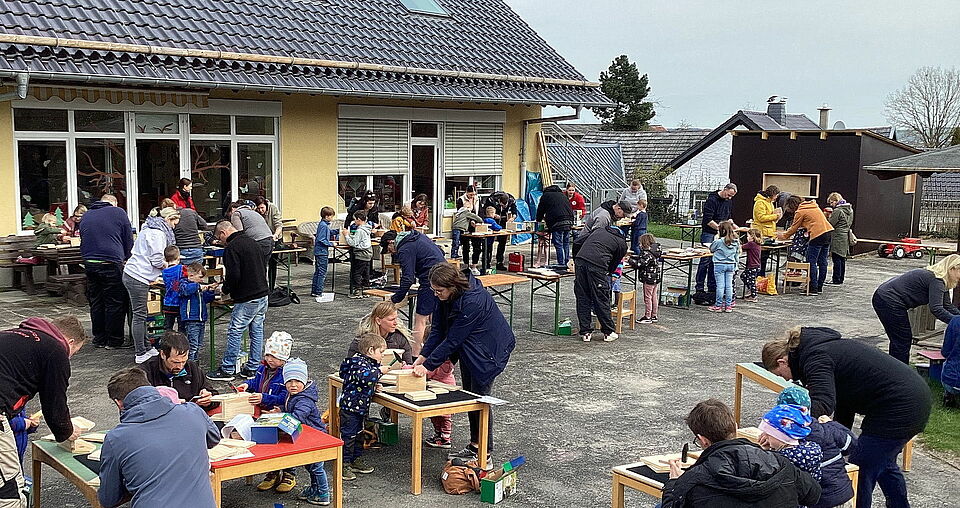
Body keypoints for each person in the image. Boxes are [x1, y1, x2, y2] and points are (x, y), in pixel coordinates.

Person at [762, 326, 931, 508]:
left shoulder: (816, 359)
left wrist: (786, 428)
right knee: (881, 460)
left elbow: (823, 402)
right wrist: (835, 437)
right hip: (909, 397)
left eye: (780, 375)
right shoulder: (819, 350)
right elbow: (842, 398)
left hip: (901, 405)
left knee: (860, 467)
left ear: (782, 362)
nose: (786, 380)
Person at [412, 264, 516, 467]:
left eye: (439, 291)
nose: (436, 294)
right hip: (470, 349)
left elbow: (453, 339)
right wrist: (422, 357)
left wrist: (428, 366)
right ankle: (475, 445)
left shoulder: (473, 301)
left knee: (480, 399)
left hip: (488, 352)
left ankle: (485, 454)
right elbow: (438, 330)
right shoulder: (445, 295)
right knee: (470, 396)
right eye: (434, 290)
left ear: (452, 286)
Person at [660, 398, 821, 508]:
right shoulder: (781, 463)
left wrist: (674, 484)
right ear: (736, 427)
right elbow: (813, 494)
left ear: (703, 440)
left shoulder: (693, 481)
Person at [98, 368, 219, 508]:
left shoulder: (116, 439)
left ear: (119, 403)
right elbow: (214, 438)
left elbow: (108, 498)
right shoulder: (193, 411)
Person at [0, 316, 86, 507]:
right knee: (9, 489)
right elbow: (55, 403)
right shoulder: (56, 349)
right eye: (74, 352)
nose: (70, 357)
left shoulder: (18, 334)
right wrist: (67, 431)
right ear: (70, 342)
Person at [207, 220, 269, 381]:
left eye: (219, 238)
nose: (220, 242)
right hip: (262, 293)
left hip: (247, 296)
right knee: (257, 331)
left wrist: (225, 289)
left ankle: (227, 369)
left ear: (223, 233)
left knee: (235, 331)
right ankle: (253, 368)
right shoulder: (252, 241)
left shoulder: (232, 248)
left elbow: (234, 275)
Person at [777, 386, 857, 508]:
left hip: (819, 500)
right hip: (843, 494)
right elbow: (852, 444)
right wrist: (831, 423)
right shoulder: (827, 430)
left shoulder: (786, 438)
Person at [872, 254, 960, 363]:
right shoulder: (937, 280)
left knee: (900, 340)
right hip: (888, 300)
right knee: (902, 340)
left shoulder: (940, 279)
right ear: (952, 268)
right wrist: (956, 322)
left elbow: (947, 305)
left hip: (886, 297)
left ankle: (895, 367)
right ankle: (899, 370)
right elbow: (936, 309)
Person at [239, 332, 296, 493]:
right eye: (268, 355)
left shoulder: (286, 374)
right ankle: (272, 472)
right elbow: (255, 381)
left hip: (278, 414)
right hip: (263, 413)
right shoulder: (262, 368)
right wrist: (247, 385)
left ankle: (289, 473)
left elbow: (284, 397)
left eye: (275, 356)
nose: (270, 359)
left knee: (283, 444)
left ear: (284, 358)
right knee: (268, 443)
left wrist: (264, 397)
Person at [124, 206, 180, 364]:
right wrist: (169, 266)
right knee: (139, 315)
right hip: (138, 276)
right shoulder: (158, 234)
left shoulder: (147, 228)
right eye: (174, 223)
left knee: (141, 314)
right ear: (168, 220)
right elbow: (156, 259)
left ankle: (147, 347)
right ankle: (140, 352)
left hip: (135, 273)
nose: (174, 227)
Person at [80, 194, 133, 349]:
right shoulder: (118, 212)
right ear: (113, 203)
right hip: (110, 261)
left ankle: (99, 338)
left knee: (96, 301)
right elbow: (128, 238)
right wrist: (127, 257)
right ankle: (114, 340)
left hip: (90, 262)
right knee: (114, 302)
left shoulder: (87, 215)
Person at [380, 229, 446, 348]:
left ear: (391, 242)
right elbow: (440, 251)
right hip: (444, 275)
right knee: (434, 317)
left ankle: (416, 353)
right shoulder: (416, 237)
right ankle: (437, 348)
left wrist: (395, 299)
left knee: (420, 319)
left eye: (388, 249)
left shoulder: (404, 248)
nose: (391, 252)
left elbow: (408, 279)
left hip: (431, 280)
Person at [277, 359, 331, 505]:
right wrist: (280, 410)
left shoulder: (305, 400)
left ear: (305, 381)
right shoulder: (293, 395)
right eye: (289, 381)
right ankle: (315, 489)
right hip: (307, 437)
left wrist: (279, 421)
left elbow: (297, 417)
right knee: (310, 466)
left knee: (316, 467)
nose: (293, 385)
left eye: (297, 381)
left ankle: (323, 493)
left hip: (316, 437)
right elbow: (289, 409)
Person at [339, 332, 390, 481]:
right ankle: (344, 464)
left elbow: (364, 381)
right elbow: (363, 377)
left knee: (359, 434)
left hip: (361, 408)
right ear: (370, 350)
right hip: (350, 408)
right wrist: (379, 371)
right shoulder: (357, 363)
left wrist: (374, 386)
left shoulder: (368, 363)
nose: (383, 355)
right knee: (349, 435)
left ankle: (356, 459)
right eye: (381, 352)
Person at [573, 224, 627, 342]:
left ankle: (585, 332)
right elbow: (616, 262)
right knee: (601, 298)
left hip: (580, 262)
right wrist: (609, 272)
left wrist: (576, 259)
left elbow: (577, 242)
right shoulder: (621, 243)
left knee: (583, 298)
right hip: (598, 266)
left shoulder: (598, 230)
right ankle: (608, 332)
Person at [139, 331, 218, 409]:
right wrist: (169, 405)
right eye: (175, 362)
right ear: (162, 354)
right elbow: (137, 405)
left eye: (184, 361)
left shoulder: (192, 367)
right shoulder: (145, 372)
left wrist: (208, 400)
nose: (180, 367)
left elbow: (214, 395)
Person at [757, 404, 823, 491]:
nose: (764, 436)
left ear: (781, 437)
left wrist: (763, 452)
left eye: (768, 434)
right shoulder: (809, 450)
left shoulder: (782, 460)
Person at [777, 196, 834, 294]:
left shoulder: (800, 211)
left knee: (811, 262)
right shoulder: (813, 206)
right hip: (828, 233)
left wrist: (783, 236)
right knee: (822, 262)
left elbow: (794, 227)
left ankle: (813, 288)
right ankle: (819, 287)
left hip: (817, 235)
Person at [695, 183, 737, 296]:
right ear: (725, 189)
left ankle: (712, 287)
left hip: (721, 233)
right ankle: (699, 287)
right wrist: (721, 229)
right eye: (729, 195)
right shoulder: (712, 200)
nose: (729, 198)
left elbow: (728, 217)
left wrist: (734, 227)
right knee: (705, 260)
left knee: (716, 261)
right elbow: (708, 220)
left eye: (732, 196)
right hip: (709, 232)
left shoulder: (728, 201)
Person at [177, 263, 218, 361]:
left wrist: (210, 291)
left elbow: (205, 299)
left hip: (201, 319)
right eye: (200, 277)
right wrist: (198, 286)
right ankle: (189, 364)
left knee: (198, 345)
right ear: (191, 275)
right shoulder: (184, 284)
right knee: (192, 346)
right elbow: (185, 290)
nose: (202, 280)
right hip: (191, 319)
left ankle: (194, 363)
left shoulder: (197, 287)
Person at [535, 185, 576, 268]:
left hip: (557, 222)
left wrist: (538, 220)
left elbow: (540, 210)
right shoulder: (563, 195)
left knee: (558, 244)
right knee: (566, 243)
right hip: (569, 221)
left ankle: (561, 264)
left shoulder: (546, 196)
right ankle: (567, 263)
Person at [481, 191, 519, 271]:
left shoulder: (511, 200)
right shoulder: (491, 199)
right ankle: (486, 263)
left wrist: (513, 217)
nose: (503, 207)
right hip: (492, 221)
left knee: (502, 243)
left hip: (503, 221)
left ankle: (499, 262)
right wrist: (493, 215)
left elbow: (514, 210)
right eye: (501, 205)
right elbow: (485, 210)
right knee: (489, 244)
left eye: (505, 205)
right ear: (499, 201)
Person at [229, 200, 274, 266]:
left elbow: (239, 234)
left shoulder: (236, 214)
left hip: (259, 242)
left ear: (232, 209)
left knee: (252, 267)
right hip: (270, 240)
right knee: (262, 268)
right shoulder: (254, 213)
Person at [709, 222, 740, 313]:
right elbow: (737, 254)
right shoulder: (735, 241)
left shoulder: (718, 241)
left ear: (721, 231)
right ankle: (728, 306)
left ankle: (718, 305)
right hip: (731, 264)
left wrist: (716, 238)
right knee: (729, 286)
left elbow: (711, 249)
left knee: (720, 286)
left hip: (719, 264)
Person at [631, 233, 662, 324]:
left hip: (649, 278)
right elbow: (643, 259)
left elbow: (640, 264)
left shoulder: (647, 253)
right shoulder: (654, 251)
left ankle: (647, 316)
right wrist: (634, 257)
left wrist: (630, 260)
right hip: (655, 277)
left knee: (647, 298)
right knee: (654, 296)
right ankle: (654, 315)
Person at [255, 196, 284, 289]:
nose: (260, 210)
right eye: (258, 208)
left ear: (266, 205)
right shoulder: (255, 211)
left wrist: (275, 235)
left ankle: (271, 287)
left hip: (275, 237)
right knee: (261, 263)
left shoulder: (273, 208)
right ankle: (262, 286)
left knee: (272, 263)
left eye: (262, 208)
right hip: (262, 239)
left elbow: (279, 225)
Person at [342, 210, 373, 299]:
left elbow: (354, 243)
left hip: (361, 253)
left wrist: (346, 235)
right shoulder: (367, 228)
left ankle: (357, 291)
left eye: (355, 219)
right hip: (368, 253)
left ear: (359, 219)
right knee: (366, 273)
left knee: (357, 273)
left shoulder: (359, 230)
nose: (354, 221)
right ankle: (366, 290)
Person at [752, 185, 782, 274]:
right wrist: (775, 216)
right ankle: (758, 275)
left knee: (765, 256)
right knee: (760, 257)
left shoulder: (770, 203)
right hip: (761, 232)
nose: (776, 197)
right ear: (772, 194)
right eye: (776, 195)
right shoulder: (760, 203)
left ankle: (762, 275)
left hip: (769, 232)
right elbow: (761, 217)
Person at [826, 192, 853, 285]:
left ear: (836, 201)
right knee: (842, 258)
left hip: (837, 236)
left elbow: (831, 223)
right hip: (845, 235)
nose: (831, 205)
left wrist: (828, 216)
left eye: (831, 202)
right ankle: (840, 278)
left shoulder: (838, 211)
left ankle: (836, 279)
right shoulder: (850, 210)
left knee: (836, 258)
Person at [311, 206, 337, 302]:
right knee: (322, 272)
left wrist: (338, 231)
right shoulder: (324, 226)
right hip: (322, 252)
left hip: (319, 251)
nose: (332, 218)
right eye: (331, 216)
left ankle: (315, 291)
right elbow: (321, 239)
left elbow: (329, 232)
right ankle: (318, 291)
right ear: (327, 216)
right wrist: (332, 244)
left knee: (318, 272)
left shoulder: (323, 224)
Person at [172, 196, 207, 265]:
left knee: (183, 271)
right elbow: (204, 226)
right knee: (197, 270)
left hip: (181, 248)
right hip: (196, 248)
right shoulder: (191, 212)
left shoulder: (172, 216)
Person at [456, 186, 484, 274]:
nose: (472, 196)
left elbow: (480, 212)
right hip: (465, 226)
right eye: (470, 194)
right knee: (466, 247)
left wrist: (479, 222)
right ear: (466, 192)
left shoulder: (477, 199)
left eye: (473, 194)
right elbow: (461, 213)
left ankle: (474, 265)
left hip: (476, 225)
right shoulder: (461, 200)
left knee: (477, 247)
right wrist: (471, 220)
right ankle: (466, 266)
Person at [161, 245, 184, 332]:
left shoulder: (164, 272)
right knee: (182, 328)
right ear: (178, 257)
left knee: (168, 327)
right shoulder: (181, 269)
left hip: (168, 302)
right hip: (179, 302)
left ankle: (167, 339)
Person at [942, 316, 960, 408]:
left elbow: (945, 352)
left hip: (952, 380)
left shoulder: (955, 321)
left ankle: (949, 395)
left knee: (948, 361)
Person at [741, 228, 763, 302]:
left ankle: (753, 295)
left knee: (751, 280)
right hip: (756, 265)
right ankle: (751, 289)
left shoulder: (751, 244)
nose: (747, 238)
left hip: (752, 265)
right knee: (745, 276)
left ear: (752, 236)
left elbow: (742, 247)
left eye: (748, 236)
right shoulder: (757, 244)